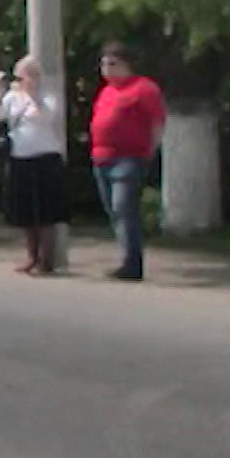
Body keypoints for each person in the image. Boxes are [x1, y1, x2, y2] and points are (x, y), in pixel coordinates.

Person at [90, 42, 165, 282]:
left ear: (127, 65)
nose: (106, 69)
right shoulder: (107, 91)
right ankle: (127, 256)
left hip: (129, 158)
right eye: (103, 64)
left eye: (113, 64)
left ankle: (132, 264)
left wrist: (148, 152)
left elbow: (157, 122)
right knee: (114, 210)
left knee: (123, 207)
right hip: (102, 157)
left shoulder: (143, 89)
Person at [0, 55, 68, 275]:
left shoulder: (48, 96)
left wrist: (34, 94)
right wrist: (0, 91)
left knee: (46, 212)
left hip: (46, 157)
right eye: (23, 75)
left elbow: (47, 117)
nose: (26, 79)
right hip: (20, 157)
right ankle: (31, 256)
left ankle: (47, 260)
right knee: (24, 211)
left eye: (31, 74)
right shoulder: (13, 97)